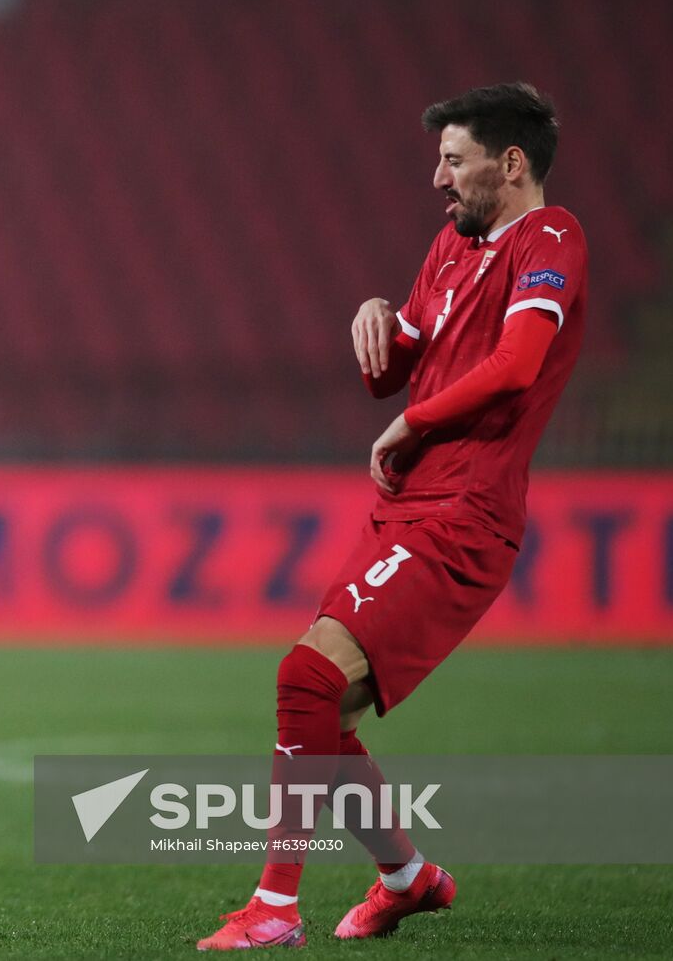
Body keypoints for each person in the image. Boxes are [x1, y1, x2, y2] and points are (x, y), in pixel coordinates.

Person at [199, 82, 586, 949]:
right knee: (323, 708)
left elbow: (519, 364)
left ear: (510, 163)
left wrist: (413, 421)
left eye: (453, 160)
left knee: (306, 679)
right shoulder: (451, 248)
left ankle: (274, 909)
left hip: (466, 512)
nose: (438, 178)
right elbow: (395, 368)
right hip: (408, 506)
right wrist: (376, 317)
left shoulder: (550, 238)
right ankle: (408, 880)